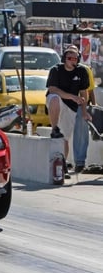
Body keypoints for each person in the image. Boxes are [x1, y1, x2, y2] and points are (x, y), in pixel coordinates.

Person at [46, 45, 91, 178]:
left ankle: (63, 164)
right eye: (70, 58)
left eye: (76, 58)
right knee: (54, 98)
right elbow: (53, 89)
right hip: (58, 100)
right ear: (64, 59)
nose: (73, 60)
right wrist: (71, 96)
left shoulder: (82, 71)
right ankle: (54, 128)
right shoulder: (56, 70)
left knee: (64, 137)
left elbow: (84, 93)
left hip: (72, 106)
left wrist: (84, 111)